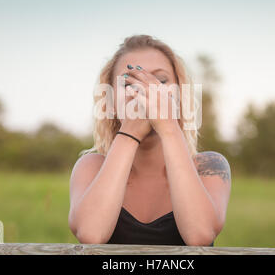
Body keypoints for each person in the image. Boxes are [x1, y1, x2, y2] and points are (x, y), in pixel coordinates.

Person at [68, 34, 231, 246]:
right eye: (129, 82)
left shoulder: (208, 167)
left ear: (179, 96)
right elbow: (91, 235)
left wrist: (168, 126)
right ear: (110, 101)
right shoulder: (91, 167)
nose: (144, 91)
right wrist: (130, 133)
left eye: (160, 81)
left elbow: (200, 235)